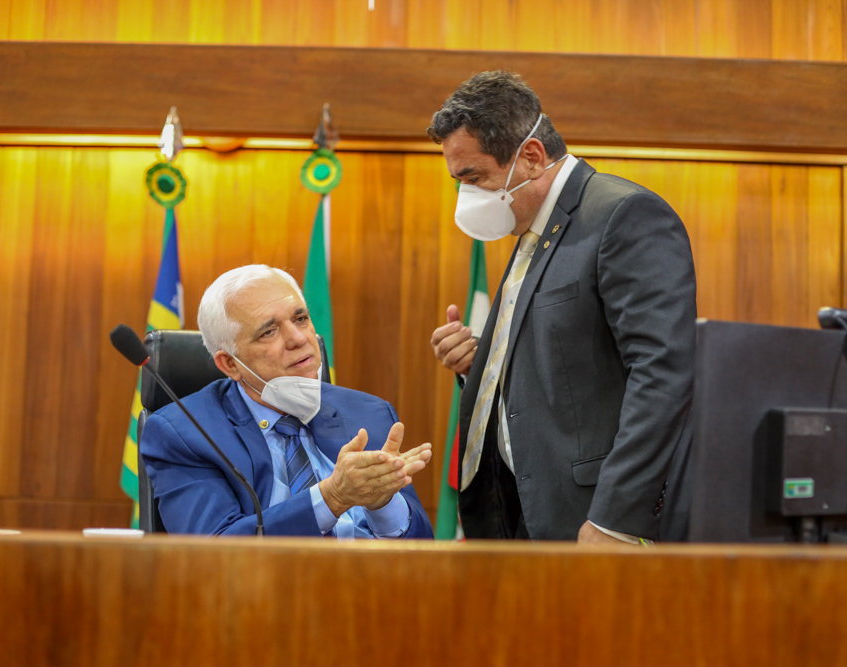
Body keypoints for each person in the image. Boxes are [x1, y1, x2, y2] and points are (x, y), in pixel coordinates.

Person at [428, 71, 696, 544]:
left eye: (474, 178)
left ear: (532, 157)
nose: (467, 196)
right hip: (525, 513)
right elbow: (565, 362)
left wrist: (616, 519)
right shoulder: (534, 230)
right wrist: (482, 365)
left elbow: (663, 373)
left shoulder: (622, 214)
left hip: (594, 519)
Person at [142, 264, 434, 538]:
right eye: (268, 332)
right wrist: (332, 497)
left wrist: (383, 504)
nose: (299, 338)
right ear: (230, 364)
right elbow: (216, 551)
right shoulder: (185, 433)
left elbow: (422, 551)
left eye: (301, 319)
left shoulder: (369, 413)